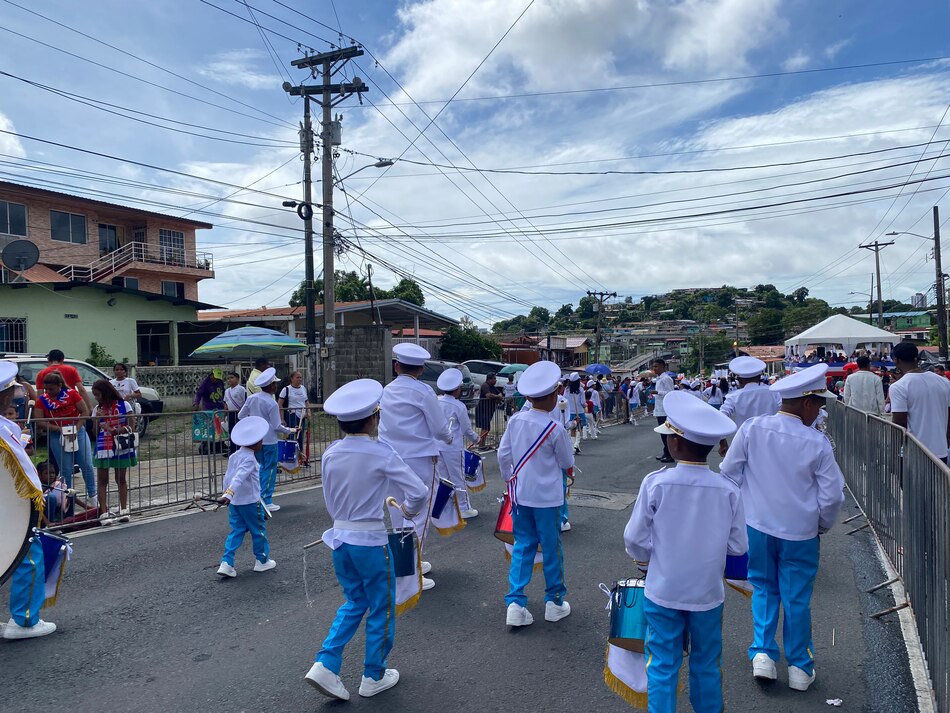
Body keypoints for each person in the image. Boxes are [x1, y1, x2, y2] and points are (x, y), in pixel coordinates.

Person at [720, 364, 845, 692]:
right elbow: (832, 497)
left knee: (762, 588)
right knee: (797, 598)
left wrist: (739, 515)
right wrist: (821, 524)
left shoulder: (752, 429)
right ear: (806, 402)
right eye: (818, 404)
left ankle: (762, 653)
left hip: (757, 525)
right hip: (800, 532)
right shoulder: (817, 443)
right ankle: (800, 668)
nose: (819, 411)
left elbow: (729, 474)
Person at [305, 379, 429, 701]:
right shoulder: (381, 452)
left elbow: (330, 499)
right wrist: (407, 510)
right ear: (374, 418)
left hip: (339, 539)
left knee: (354, 601)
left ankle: (326, 662)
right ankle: (373, 674)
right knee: (381, 607)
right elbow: (419, 491)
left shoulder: (331, 453)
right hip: (370, 541)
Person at [624, 392, 746, 712]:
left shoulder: (656, 483)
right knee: (706, 665)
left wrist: (647, 563)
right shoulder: (728, 490)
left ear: (674, 444)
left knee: (663, 664)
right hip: (707, 593)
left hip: (663, 590)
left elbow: (635, 537)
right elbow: (739, 547)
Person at [498, 361, 575, 628]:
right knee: (552, 548)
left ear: (528, 397)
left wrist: (510, 481)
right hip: (548, 499)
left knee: (522, 545)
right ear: (555, 396)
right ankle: (554, 601)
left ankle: (516, 603)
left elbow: (503, 455)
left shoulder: (515, 421)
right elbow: (567, 461)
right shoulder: (556, 429)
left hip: (520, 495)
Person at [378, 343, 452, 589]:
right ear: (421, 369)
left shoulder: (386, 390)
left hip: (391, 458)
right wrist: (450, 438)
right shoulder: (423, 391)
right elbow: (440, 428)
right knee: (419, 514)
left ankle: (407, 562)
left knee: (398, 512)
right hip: (420, 458)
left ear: (397, 366)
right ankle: (410, 573)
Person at [0, 360, 57, 639]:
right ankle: (24, 621)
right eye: (10, 391)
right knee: (25, 556)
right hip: (9, 513)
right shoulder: (2, 429)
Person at [216, 415, 276, 578]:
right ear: (255, 443)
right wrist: (228, 494)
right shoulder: (249, 459)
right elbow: (239, 477)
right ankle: (262, 561)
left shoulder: (234, 456)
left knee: (236, 531)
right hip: (250, 502)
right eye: (260, 441)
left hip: (235, 503)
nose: (262, 443)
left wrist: (226, 494)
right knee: (259, 531)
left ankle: (227, 562)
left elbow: (228, 477)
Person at [239, 368, 296, 512]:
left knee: (258, 468)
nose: (276, 386)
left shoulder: (252, 398)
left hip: (255, 440)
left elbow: (241, 416)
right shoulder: (271, 403)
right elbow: (277, 426)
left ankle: (256, 496)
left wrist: (253, 425)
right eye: (275, 384)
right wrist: (290, 430)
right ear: (271, 386)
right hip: (270, 440)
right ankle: (266, 499)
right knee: (269, 470)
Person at [888, 341, 950, 463]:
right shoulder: (943, 382)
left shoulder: (899, 386)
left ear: (896, 360)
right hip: (940, 451)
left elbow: (899, 422)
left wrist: (894, 450)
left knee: (910, 483)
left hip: (913, 452)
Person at [37, 371, 95, 499]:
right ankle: (67, 498)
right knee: (66, 469)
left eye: (51, 389)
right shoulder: (42, 400)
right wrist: (57, 428)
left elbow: (84, 411)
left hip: (77, 432)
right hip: (56, 434)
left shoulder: (72, 394)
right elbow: (39, 421)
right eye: (46, 389)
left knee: (86, 464)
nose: (48, 392)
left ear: (59, 385)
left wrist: (77, 427)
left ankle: (93, 495)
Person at [91, 379, 137, 525]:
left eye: (98, 395)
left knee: (121, 478)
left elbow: (132, 424)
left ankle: (124, 509)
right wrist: (97, 419)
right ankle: (104, 513)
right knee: (102, 479)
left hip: (121, 445)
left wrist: (117, 430)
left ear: (105, 392)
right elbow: (94, 431)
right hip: (103, 446)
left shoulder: (125, 405)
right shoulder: (97, 409)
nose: (96, 398)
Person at [436, 368, 480, 519]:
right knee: (458, 477)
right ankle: (464, 508)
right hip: (453, 447)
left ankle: (445, 506)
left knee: (443, 477)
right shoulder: (458, 406)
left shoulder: (436, 401)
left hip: (436, 445)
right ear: (456, 389)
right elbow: (467, 429)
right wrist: (476, 438)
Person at [718, 356, 781, 456]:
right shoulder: (774, 392)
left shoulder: (734, 396)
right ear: (760, 376)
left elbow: (720, 418)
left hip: (744, 446)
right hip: (772, 443)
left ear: (739, 379)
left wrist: (722, 442)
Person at [278, 371, 310, 464]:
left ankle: (301, 458)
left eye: (300, 377)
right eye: (297, 377)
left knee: (300, 437)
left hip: (302, 416)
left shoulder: (303, 388)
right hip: (292, 415)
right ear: (291, 378)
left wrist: (308, 412)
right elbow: (280, 404)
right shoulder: (286, 389)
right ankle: (290, 457)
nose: (299, 379)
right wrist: (282, 418)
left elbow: (306, 401)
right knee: (291, 436)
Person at [652, 359, 675, 463]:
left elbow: (670, 393)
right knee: (662, 433)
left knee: (666, 433)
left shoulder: (666, 378)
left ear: (662, 367)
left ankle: (670, 454)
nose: (654, 369)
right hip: (659, 408)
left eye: (656, 366)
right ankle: (666, 452)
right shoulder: (658, 379)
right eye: (653, 367)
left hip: (665, 410)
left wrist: (658, 392)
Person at [475, 373, 504, 449]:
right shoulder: (485, 386)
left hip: (489, 410)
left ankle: (482, 445)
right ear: (489, 379)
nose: (495, 380)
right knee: (485, 428)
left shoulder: (493, 387)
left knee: (487, 428)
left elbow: (500, 393)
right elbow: (488, 395)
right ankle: (481, 445)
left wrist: (499, 396)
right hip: (483, 410)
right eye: (494, 379)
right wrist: (498, 397)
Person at [223, 372, 248, 455]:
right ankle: (232, 450)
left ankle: (240, 449)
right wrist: (224, 416)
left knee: (240, 431)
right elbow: (226, 404)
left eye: (232, 377)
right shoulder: (227, 391)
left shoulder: (241, 389)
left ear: (237, 379)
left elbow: (246, 402)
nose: (230, 380)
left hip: (239, 414)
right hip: (230, 414)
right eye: (228, 378)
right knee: (231, 432)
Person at [565, 373, 585, 453]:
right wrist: (585, 405)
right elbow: (583, 402)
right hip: (579, 411)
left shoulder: (567, 389)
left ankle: (573, 447)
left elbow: (564, 399)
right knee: (580, 428)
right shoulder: (581, 390)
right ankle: (577, 444)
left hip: (570, 411)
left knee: (572, 429)